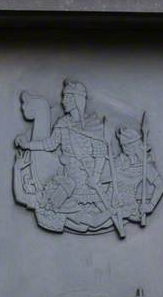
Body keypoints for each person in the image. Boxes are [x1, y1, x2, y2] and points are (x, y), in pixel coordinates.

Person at [15, 80, 110, 216]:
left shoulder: (92, 125)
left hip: (87, 179)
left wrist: (95, 177)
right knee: (51, 204)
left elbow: (100, 154)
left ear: (75, 100)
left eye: (66, 97)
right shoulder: (63, 123)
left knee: (97, 210)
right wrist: (27, 145)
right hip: (67, 176)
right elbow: (50, 144)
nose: (63, 101)